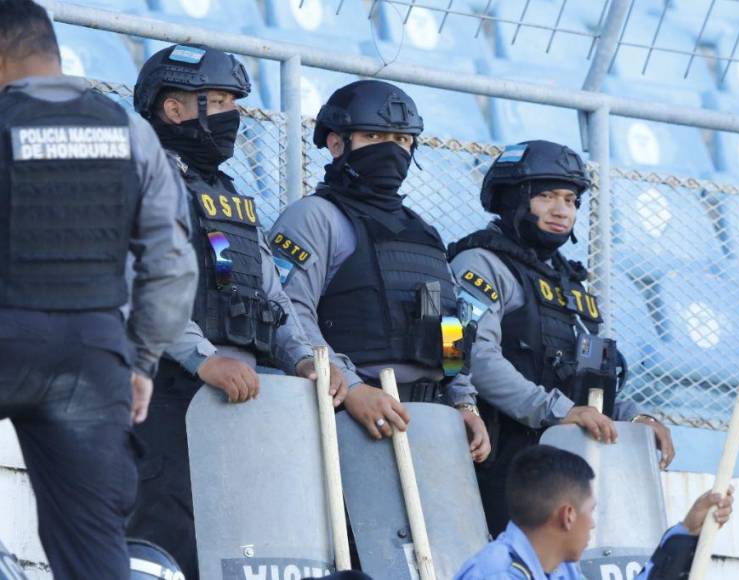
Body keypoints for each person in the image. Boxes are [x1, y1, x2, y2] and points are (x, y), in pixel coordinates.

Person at [126, 44, 342, 580]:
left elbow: (273, 294)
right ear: (173, 108)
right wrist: (202, 357)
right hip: (162, 392)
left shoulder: (230, 195)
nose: (231, 114)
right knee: (167, 545)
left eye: (232, 100)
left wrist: (305, 359)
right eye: (216, 100)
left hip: (235, 398)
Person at [0, 2, 198, 578]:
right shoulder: (129, 131)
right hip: (92, 355)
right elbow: (171, 262)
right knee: (93, 551)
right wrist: (139, 360)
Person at [448, 140, 675, 535]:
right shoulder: (480, 264)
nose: (561, 210)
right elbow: (473, 357)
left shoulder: (569, 282)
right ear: (513, 199)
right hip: (495, 463)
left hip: (559, 466)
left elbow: (586, 382)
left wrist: (635, 416)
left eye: (570, 200)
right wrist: (556, 410)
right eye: (546, 196)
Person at [269, 80, 489, 458]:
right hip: (348, 418)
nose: (391, 149)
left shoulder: (424, 231)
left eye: (402, 140)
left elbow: (450, 325)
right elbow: (288, 311)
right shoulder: (313, 217)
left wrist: (463, 402)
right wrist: (352, 388)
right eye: (374, 136)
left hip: (432, 420)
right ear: (337, 144)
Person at [454, 445, 733, 580]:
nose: (592, 525)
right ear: (568, 516)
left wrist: (688, 529)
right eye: (591, 511)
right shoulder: (496, 575)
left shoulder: (560, 568)